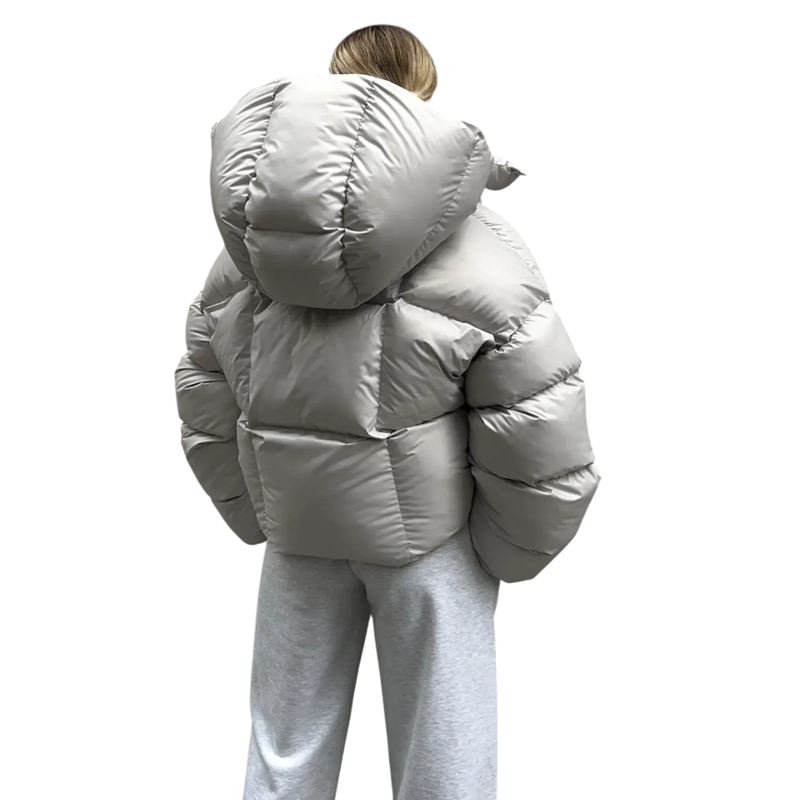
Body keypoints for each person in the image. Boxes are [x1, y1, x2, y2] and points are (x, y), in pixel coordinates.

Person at [174, 23, 600, 800]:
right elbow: (537, 412)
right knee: (445, 759)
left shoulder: (250, 245)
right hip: (432, 545)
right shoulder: (481, 246)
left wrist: (255, 508)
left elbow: (204, 387)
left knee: (284, 751)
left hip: (299, 531)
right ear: (424, 95)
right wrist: (512, 544)